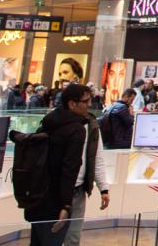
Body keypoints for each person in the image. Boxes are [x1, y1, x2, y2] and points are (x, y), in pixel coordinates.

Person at [24, 85, 107, 246]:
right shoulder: (75, 130)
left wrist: (103, 188)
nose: (89, 105)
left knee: (56, 239)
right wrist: (65, 205)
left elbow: (95, 157)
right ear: (72, 104)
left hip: (61, 193)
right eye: (85, 101)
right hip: (56, 196)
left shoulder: (54, 122)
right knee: (52, 239)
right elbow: (69, 169)